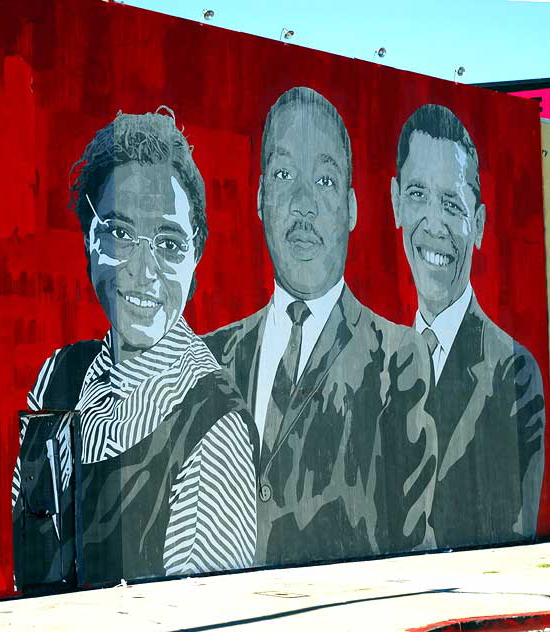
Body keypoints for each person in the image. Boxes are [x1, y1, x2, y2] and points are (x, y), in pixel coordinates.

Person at [12, 108, 259, 587]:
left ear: (195, 256)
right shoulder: (57, 378)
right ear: (89, 237)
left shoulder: (213, 421)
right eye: (120, 234)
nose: (142, 270)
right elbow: (30, 561)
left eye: (168, 244)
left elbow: (206, 613)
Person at [204, 87, 438, 566]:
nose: (304, 204)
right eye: (285, 175)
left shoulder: (397, 358)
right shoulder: (209, 358)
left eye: (326, 181)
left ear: (352, 209)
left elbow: (414, 547)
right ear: (260, 197)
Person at [391, 103, 546, 548]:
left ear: (477, 225)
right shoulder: (376, 365)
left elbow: (505, 538)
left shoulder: (512, 374)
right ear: (396, 201)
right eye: (418, 194)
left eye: (452, 204)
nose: (434, 224)